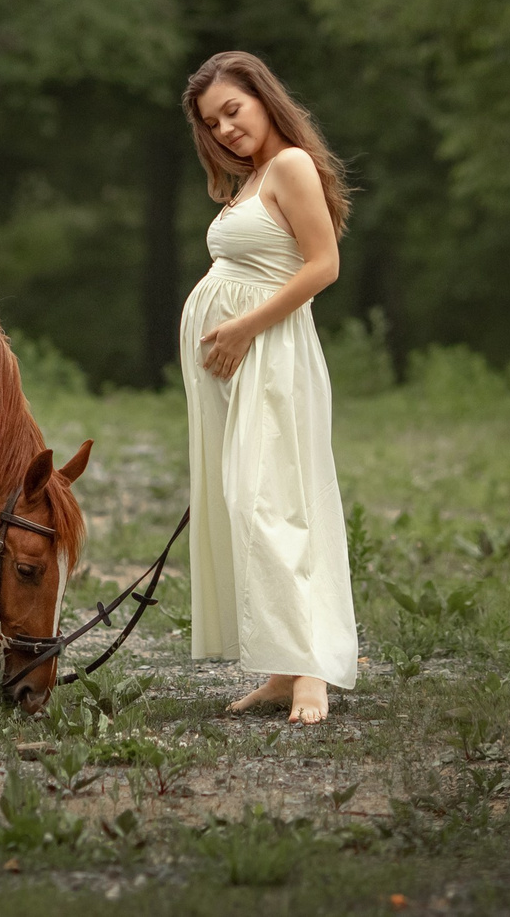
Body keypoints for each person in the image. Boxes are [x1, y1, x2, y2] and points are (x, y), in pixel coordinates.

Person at [178, 50, 359, 724]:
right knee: (246, 501)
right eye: (211, 122)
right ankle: (282, 667)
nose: (225, 128)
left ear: (263, 98)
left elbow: (324, 265)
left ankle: (311, 667)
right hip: (239, 365)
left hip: (274, 355)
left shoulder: (290, 167)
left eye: (233, 109)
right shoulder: (250, 181)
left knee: (274, 502)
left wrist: (243, 328)